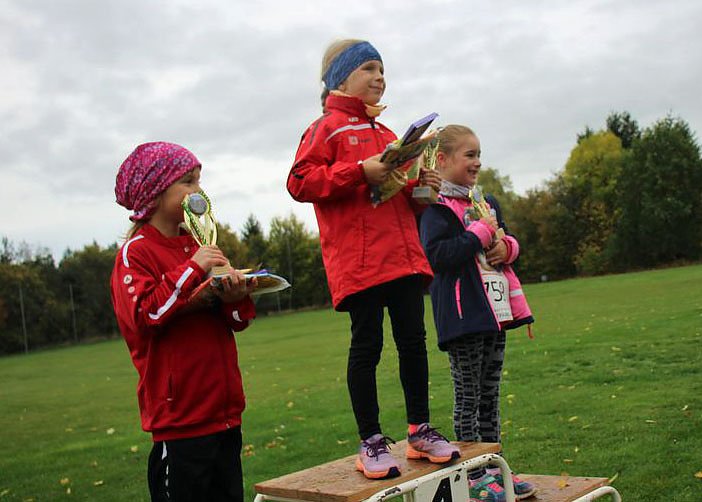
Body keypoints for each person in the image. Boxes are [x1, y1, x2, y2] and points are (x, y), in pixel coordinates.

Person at [287, 39, 460, 480]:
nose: (379, 77)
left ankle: (420, 431)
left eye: (382, 69)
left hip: (403, 257)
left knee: (413, 342)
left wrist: (423, 188)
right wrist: (359, 171)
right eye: (368, 68)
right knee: (367, 345)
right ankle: (371, 441)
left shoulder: (388, 135)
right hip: (360, 261)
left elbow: (400, 198)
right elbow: (300, 182)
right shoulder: (325, 129)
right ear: (340, 78)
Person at [111, 141, 260, 502]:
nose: (198, 191)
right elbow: (147, 315)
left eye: (199, 181)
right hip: (180, 423)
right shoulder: (136, 253)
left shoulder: (198, 244)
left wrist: (236, 296)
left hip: (225, 415)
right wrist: (194, 268)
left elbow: (237, 321)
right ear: (156, 191)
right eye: (188, 182)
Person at [418, 125, 536, 501]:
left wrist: (507, 248)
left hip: (493, 313)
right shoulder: (434, 207)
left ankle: (495, 468)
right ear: (442, 159)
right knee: (468, 398)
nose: (477, 162)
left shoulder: (485, 202)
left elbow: (506, 239)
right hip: (462, 317)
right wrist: (481, 235)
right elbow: (438, 256)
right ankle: (472, 476)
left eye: (479, 154)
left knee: (490, 397)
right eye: (469, 155)